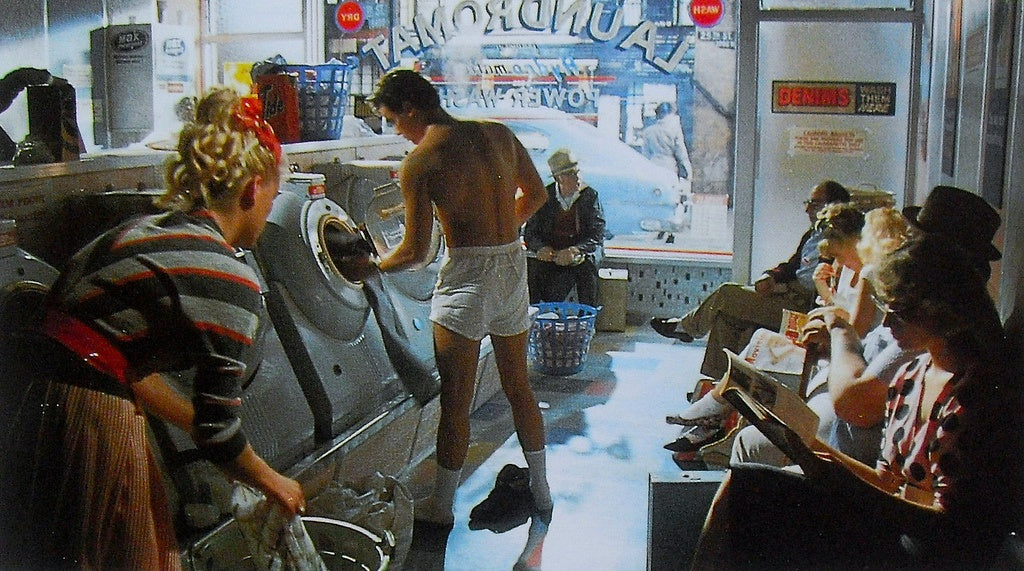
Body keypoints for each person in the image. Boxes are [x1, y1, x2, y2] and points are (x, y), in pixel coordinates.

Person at [2, 88, 304, 568]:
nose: (268, 213)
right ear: (252, 189)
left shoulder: (141, 233)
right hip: (93, 413)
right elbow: (219, 431)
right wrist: (273, 481)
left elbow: (119, 360)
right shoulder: (228, 279)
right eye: (272, 195)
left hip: (29, 399)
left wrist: (197, 424)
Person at [691, 233, 1020, 569]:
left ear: (940, 312)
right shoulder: (911, 376)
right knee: (742, 485)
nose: (887, 323)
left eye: (899, 313)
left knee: (756, 504)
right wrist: (808, 445)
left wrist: (846, 486)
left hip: (933, 554)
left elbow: (956, 531)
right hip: (894, 528)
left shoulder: (979, 394)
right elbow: (887, 481)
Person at [366, 69, 552, 526]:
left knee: (455, 402)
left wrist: (371, 267)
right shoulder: (498, 134)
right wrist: (500, 229)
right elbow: (536, 194)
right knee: (519, 388)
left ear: (411, 109)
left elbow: (414, 251)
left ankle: (441, 507)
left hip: (467, 276)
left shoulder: (421, 160)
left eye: (393, 120)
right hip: (511, 266)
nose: (397, 131)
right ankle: (542, 492)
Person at [650, 180, 851, 383]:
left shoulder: (836, 241)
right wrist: (771, 276)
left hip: (802, 305)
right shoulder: (813, 234)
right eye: (808, 203)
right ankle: (720, 385)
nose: (807, 209)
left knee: (727, 294)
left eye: (815, 204)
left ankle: (687, 327)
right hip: (788, 293)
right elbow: (792, 266)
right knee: (726, 319)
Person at [523, 148, 606, 307]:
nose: (578, 178)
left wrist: (575, 250)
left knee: (587, 268)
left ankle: (587, 314)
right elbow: (530, 233)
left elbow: (597, 234)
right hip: (554, 253)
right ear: (558, 178)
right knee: (532, 268)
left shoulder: (590, 196)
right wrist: (541, 248)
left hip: (581, 251)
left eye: (577, 172)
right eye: (571, 174)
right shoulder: (545, 197)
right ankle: (535, 313)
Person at [639, 102, 693, 183]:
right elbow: (681, 152)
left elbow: (645, 154)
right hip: (670, 167)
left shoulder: (648, 131)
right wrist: (688, 172)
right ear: (669, 113)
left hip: (653, 166)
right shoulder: (675, 130)